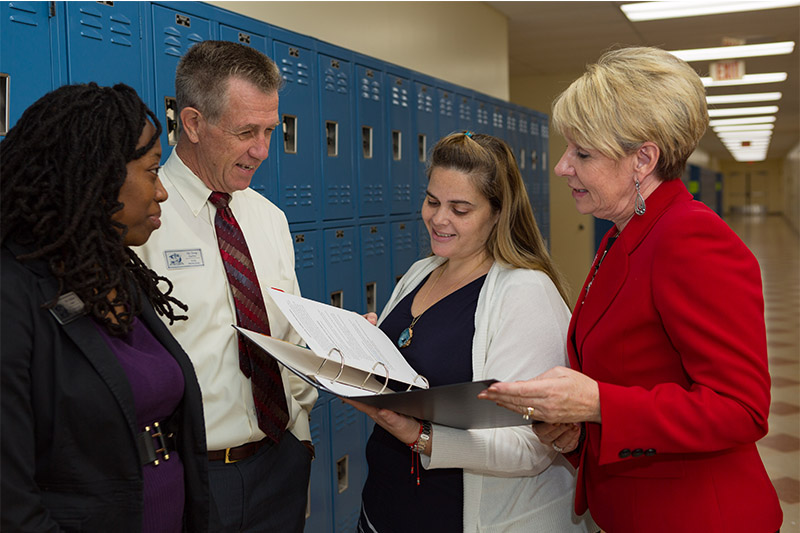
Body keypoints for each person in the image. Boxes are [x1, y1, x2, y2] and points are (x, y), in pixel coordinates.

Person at [479, 46, 784, 532]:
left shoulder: (690, 238)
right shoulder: (625, 234)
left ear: (643, 159)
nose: (562, 167)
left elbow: (741, 409)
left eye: (583, 153)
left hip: (696, 517)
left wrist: (598, 404)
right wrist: (580, 432)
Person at [347, 132, 596, 532]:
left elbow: (531, 446)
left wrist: (419, 435)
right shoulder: (420, 272)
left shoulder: (525, 293)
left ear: (498, 214)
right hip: (382, 509)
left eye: (460, 209)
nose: (438, 219)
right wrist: (361, 348)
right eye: (432, 202)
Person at [1, 83, 209, 532]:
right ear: (97, 176)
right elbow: (11, 503)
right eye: (152, 172)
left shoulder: (112, 272)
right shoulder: (13, 294)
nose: (163, 192)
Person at [134, 40, 317, 532]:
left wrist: (300, 431)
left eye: (269, 130)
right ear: (193, 124)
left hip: (280, 462)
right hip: (191, 476)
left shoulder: (269, 218)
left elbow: (288, 336)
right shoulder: (140, 223)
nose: (262, 150)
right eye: (245, 132)